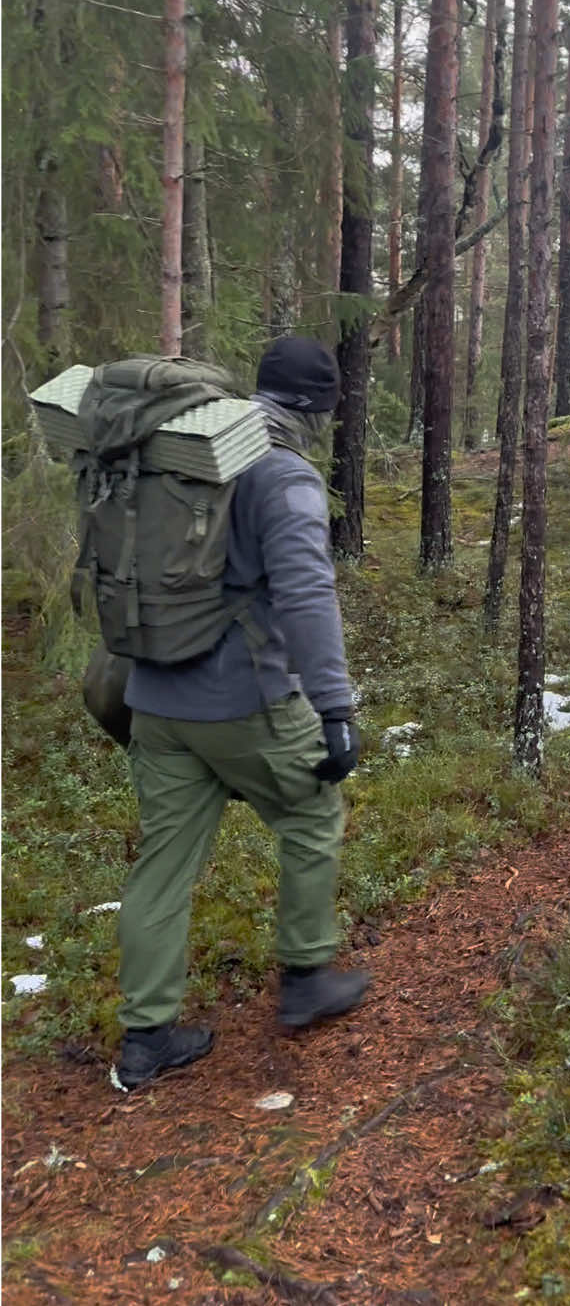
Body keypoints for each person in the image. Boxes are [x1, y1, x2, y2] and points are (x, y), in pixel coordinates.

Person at [115, 337, 368, 1090]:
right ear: (318, 409)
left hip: (154, 697)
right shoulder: (282, 474)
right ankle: (304, 978)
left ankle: (144, 1039)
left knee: (161, 864)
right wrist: (333, 706)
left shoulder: (178, 453)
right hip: (243, 699)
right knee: (313, 810)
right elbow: (305, 594)